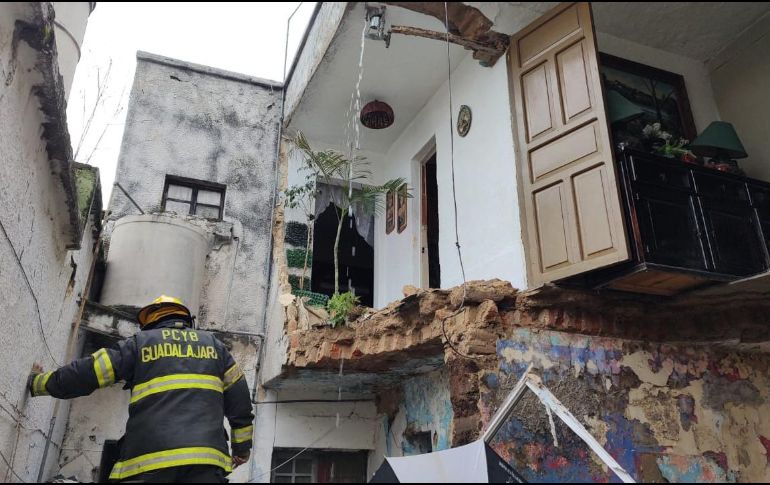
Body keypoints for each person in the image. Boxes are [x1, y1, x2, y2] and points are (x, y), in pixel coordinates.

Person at [29, 295, 254, 483]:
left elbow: (89, 373)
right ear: (187, 320)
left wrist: (40, 383)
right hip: (206, 465)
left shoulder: (141, 343)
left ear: (150, 324)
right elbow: (240, 399)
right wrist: (241, 448)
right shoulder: (215, 347)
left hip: (147, 463)